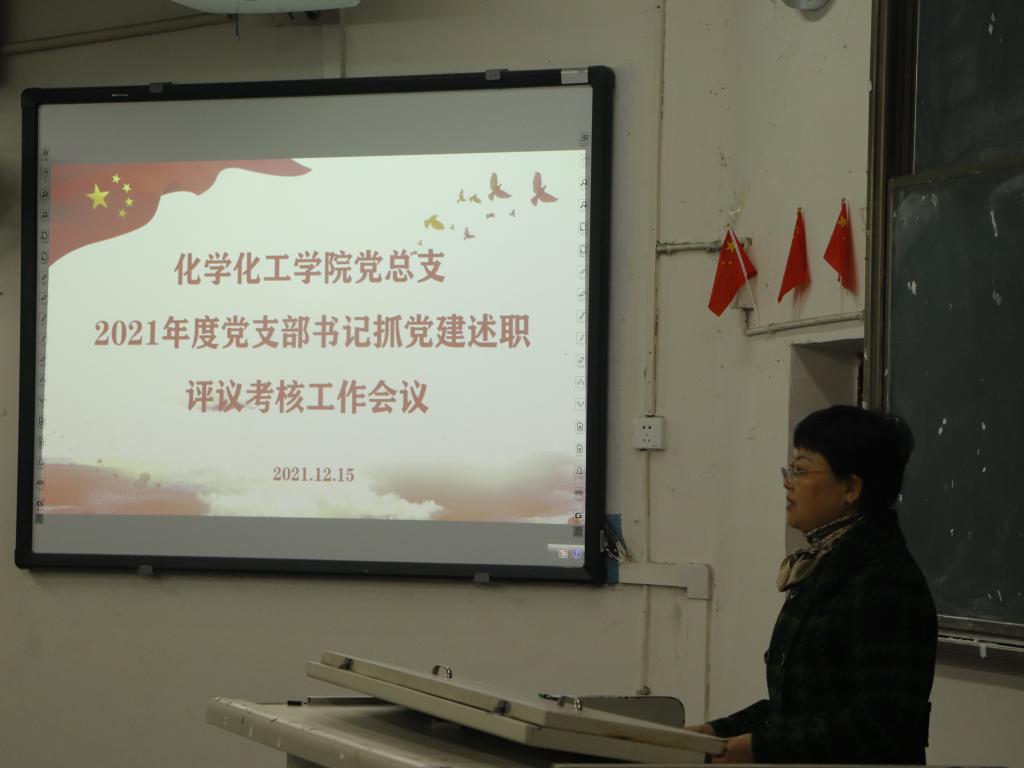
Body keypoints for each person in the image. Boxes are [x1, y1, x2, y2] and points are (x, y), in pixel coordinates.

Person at [688, 405, 937, 764]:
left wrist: (758, 748)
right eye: (790, 469)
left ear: (850, 488)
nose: (787, 482)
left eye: (801, 470)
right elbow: (797, 708)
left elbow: (882, 723)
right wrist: (717, 732)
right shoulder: (826, 565)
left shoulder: (886, 579)